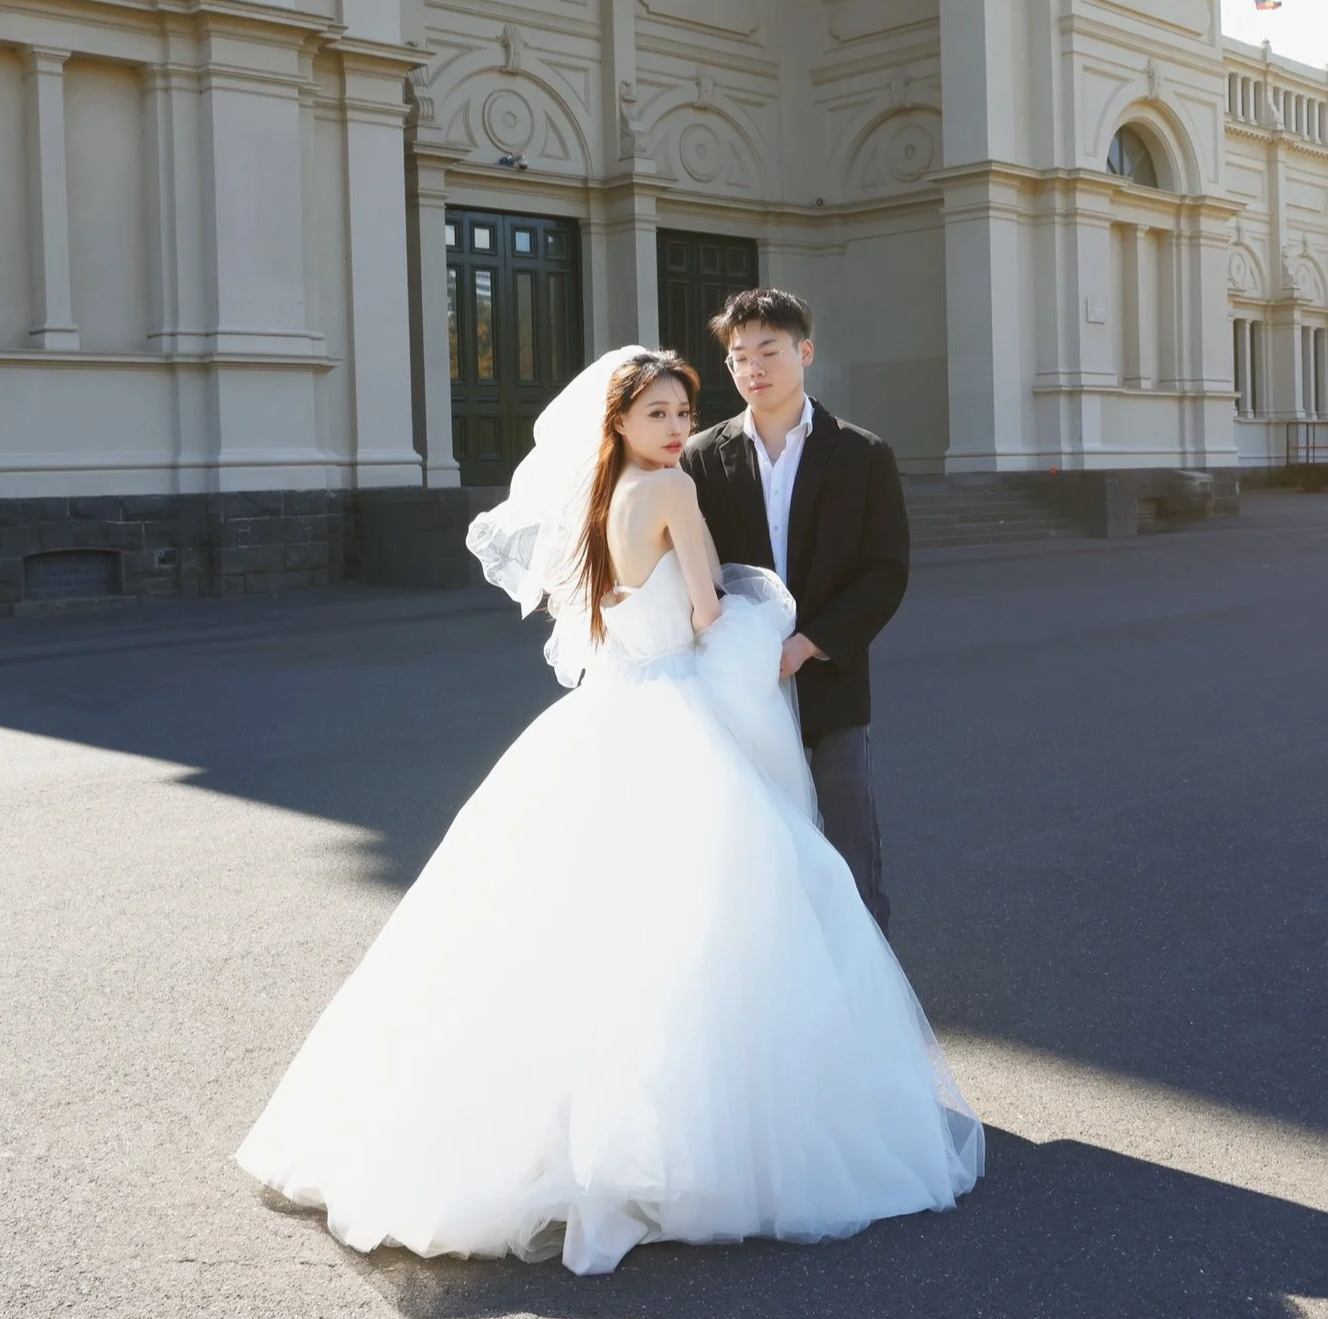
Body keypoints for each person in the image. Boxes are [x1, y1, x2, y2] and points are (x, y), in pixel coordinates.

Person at [234, 348, 981, 1277]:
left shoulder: (593, 500)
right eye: (660, 413)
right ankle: (686, 1141)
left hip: (603, 713)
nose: (676, 430)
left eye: (681, 412)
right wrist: (762, 616)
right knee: (707, 920)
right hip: (677, 714)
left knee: (565, 922)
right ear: (621, 419)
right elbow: (708, 613)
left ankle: (554, 1133)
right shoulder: (669, 493)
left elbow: (596, 619)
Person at [679, 288, 910, 932]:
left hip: (830, 674)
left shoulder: (863, 454)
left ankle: (868, 972)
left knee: (847, 836)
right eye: (739, 356)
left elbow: (885, 572)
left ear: (804, 352)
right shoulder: (700, 456)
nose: (753, 367)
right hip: (738, 681)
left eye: (769, 351)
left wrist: (806, 644)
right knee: (752, 831)